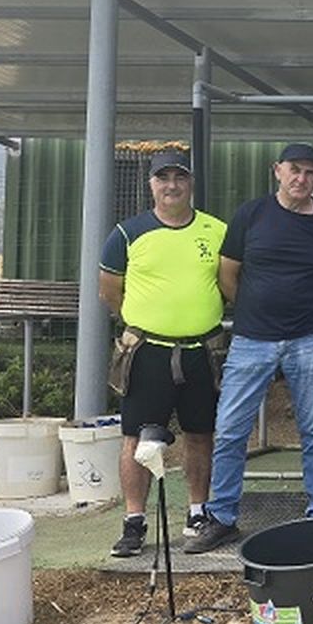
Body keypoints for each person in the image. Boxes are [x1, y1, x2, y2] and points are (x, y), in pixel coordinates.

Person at [185, 143, 313, 553]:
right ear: (277, 171)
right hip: (252, 340)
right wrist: (254, 311)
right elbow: (228, 273)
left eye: (311, 173)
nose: (302, 179)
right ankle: (222, 517)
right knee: (230, 430)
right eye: (295, 170)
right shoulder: (251, 215)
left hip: (310, 340)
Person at [98, 150, 227, 558]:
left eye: (180, 177)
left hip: (201, 350)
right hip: (147, 351)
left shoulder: (216, 230)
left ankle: (197, 512)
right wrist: (143, 322)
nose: (172, 185)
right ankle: (134, 522)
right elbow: (109, 292)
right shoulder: (126, 233)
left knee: (200, 433)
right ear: (151, 183)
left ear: (191, 183)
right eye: (163, 178)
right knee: (137, 438)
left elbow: (229, 282)